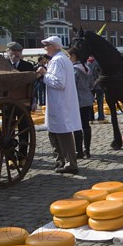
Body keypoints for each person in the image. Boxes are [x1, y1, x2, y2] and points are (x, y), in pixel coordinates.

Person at [36, 36, 82, 174]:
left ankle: (69, 163)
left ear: (53, 46)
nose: (45, 48)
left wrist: (44, 74)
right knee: (56, 131)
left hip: (60, 102)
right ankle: (62, 160)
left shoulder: (58, 60)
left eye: (47, 46)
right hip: (60, 102)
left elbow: (58, 83)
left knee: (63, 133)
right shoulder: (62, 59)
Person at [6, 41, 36, 167]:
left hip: (24, 103)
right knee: (8, 131)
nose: (16, 54)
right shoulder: (3, 65)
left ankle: (23, 156)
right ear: (8, 52)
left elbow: (32, 85)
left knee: (24, 129)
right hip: (7, 103)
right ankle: (10, 157)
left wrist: (33, 101)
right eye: (13, 51)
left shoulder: (28, 65)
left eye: (18, 51)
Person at [68, 47, 94, 159]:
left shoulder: (74, 70)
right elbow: (92, 84)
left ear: (74, 56)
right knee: (86, 125)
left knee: (77, 126)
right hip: (88, 100)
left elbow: (72, 86)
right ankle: (87, 150)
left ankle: (79, 151)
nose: (69, 58)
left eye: (70, 56)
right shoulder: (88, 68)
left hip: (77, 101)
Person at [87, 56, 105, 122]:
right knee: (100, 102)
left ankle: (91, 117)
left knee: (90, 102)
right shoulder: (99, 62)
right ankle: (101, 116)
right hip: (99, 85)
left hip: (90, 86)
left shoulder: (87, 63)